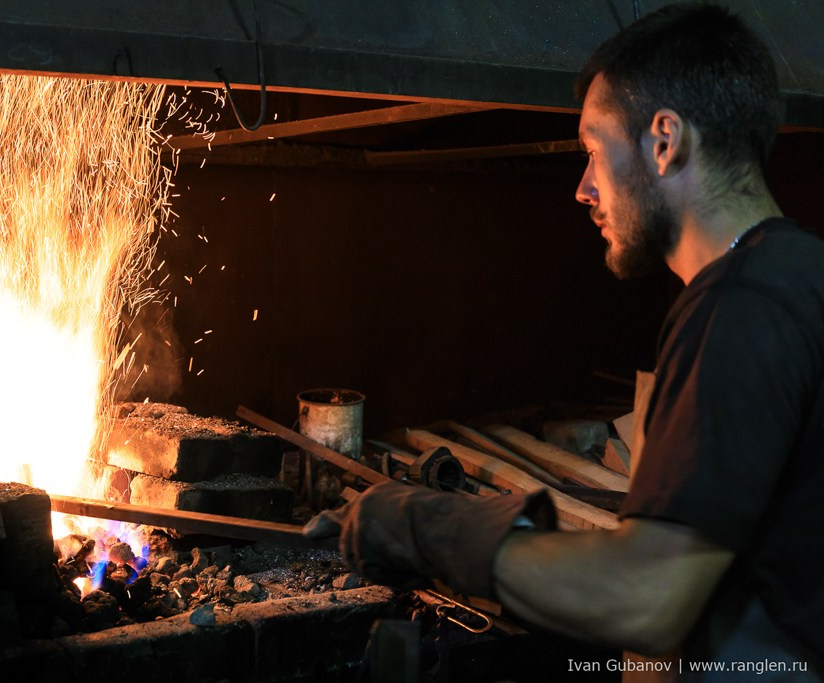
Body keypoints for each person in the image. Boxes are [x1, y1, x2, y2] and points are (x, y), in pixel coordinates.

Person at [306, 3, 824, 677]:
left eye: (593, 150)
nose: (583, 188)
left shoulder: (738, 305)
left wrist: (424, 527)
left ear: (664, 140)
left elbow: (648, 598)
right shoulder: (803, 272)